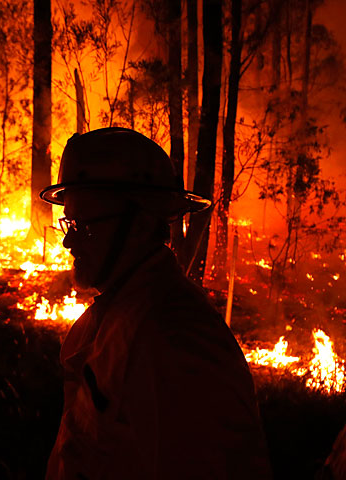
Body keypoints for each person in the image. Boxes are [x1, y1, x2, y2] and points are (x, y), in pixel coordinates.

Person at [39, 128, 272, 479]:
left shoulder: (175, 342)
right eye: (69, 223)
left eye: (85, 225)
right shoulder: (114, 315)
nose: (69, 241)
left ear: (140, 224)